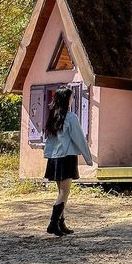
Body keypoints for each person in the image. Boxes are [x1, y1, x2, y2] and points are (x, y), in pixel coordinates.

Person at [43, 85, 93, 236]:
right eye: (71, 97)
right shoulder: (71, 117)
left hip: (54, 158)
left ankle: (60, 224)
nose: (72, 99)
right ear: (67, 99)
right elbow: (79, 139)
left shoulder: (53, 116)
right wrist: (88, 158)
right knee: (64, 193)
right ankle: (53, 223)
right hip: (66, 157)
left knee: (60, 192)